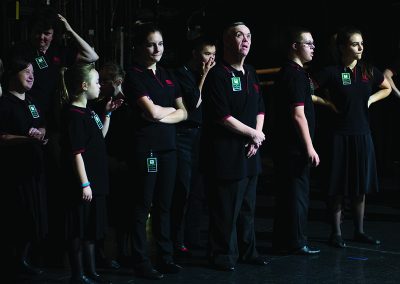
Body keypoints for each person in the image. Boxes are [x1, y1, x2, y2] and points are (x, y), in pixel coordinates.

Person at [314, 26, 391, 248]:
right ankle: (336, 233)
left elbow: (385, 87)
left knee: (360, 185)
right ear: (342, 48)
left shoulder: (367, 70)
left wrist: (371, 100)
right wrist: (325, 102)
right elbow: (305, 89)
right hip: (339, 136)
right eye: (355, 43)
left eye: (362, 43)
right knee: (337, 185)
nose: (360, 47)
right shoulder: (332, 71)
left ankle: (359, 230)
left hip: (362, 135)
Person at [201, 21, 268, 271]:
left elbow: (260, 107)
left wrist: (257, 135)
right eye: (239, 35)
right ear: (227, 41)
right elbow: (221, 115)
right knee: (226, 209)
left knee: (248, 209)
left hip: (251, 151)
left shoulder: (250, 71)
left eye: (249, 35)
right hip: (227, 153)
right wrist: (252, 134)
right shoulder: (218, 74)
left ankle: (247, 251)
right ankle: (222, 255)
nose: (245, 40)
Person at [123, 22, 187, 280]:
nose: (157, 48)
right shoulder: (134, 75)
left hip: (169, 148)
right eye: (151, 43)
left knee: (165, 204)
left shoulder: (168, 74)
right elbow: (151, 112)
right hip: (146, 149)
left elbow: (184, 112)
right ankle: (140, 260)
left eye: (160, 43)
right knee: (143, 204)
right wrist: (165, 112)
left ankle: (165, 256)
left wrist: (163, 113)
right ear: (140, 46)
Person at [58, 63, 122, 283]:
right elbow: (76, 152)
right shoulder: (73, 115)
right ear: (84, 86)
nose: (99, 86)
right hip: (83, 182)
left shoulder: (90, 111)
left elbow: (100, 137)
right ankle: (78, 273)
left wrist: (108, 115)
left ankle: (91, 270)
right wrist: (85, 184)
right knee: (78, 228)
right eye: (96, 82)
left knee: (92, 229)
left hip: (97, 179)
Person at [271, 27, 321, 255]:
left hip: (286, 147)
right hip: (294, 148)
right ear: (295, 46)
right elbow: (298, 113)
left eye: (312, 43)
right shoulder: (295, 74)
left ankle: (284, 240)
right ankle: (296, 242)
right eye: (307, 43)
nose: (313, 47)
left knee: (288, 194)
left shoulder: (289, 73)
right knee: (296, 195)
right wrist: (309, 147)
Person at [0, 57, 48, 277]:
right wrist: (27, 139)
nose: (31, 76)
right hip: (16, 172)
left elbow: (42, 127)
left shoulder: (32, 101)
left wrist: (41, 134)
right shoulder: (5, 104)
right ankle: (17, 261)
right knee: (20, 216)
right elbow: (3, 137)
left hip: (35, 168)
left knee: (36, 216)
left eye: (32, 72)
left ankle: (27, 257)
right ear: (12, 74)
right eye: (26, 71)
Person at [171, 35, 216, 256]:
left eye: (214, 55)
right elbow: (193, 102)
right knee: (183, 189)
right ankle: (177, 239)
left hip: (201, 136)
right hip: (184, 136)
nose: (211, 59)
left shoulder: (204, 74)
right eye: (207, 54)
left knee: (198, 189)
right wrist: (206, 74)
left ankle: (192, 236)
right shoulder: (181, 74)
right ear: (195, 54)